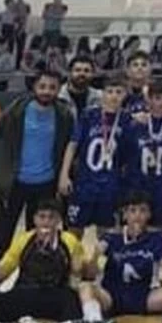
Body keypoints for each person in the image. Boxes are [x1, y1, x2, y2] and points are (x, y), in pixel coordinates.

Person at [0, 200, 111, 323]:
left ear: (58, 220)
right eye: (42, 217)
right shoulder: (23, 240)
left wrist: (82, 268)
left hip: (55, 294)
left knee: (72, 299)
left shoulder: (69, 241)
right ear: (35, 219)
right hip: (25, 293)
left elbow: (86, 276)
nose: (46, 222)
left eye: (51, 217)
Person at [0, 70, 75, 274]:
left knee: (39, 238)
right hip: (14, 184)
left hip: (45, 185)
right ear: (34, 87)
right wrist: (2, 173)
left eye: (52, 88)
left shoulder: (64, 115)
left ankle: (32, 281)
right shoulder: (17, 110)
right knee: (1, 236)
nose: (47, 91)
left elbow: (69, 147)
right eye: (42, 86)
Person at [58, 76, 131, 240]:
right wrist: (64, 175)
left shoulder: (127, 120)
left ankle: (101, 266)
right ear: (102, 94)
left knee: (107, 235)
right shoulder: (89, 115)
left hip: (111, 187)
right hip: (84, 184)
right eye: (110, 91)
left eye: (118, 92)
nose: (114, 96)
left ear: (125, 94)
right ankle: (71, 265)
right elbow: (72, 145)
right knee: (73, 232)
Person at [83, 192, 162, 319]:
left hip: (145, 297)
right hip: (112, 297)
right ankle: (95, 322)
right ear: (125, 215)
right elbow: (89, 275)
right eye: (132, 211)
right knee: (85, 287)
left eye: (143, 211)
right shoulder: (111, 237)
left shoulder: (156, 238)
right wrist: (96, 255)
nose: (137, 215)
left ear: (149, 215)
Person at [122, 86, 162, 230]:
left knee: (160, 227)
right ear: (149, 100)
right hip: (136, 183)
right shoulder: (135, 123)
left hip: (161, 185)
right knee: (133, 226)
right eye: (157, 98)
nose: (161, 103)